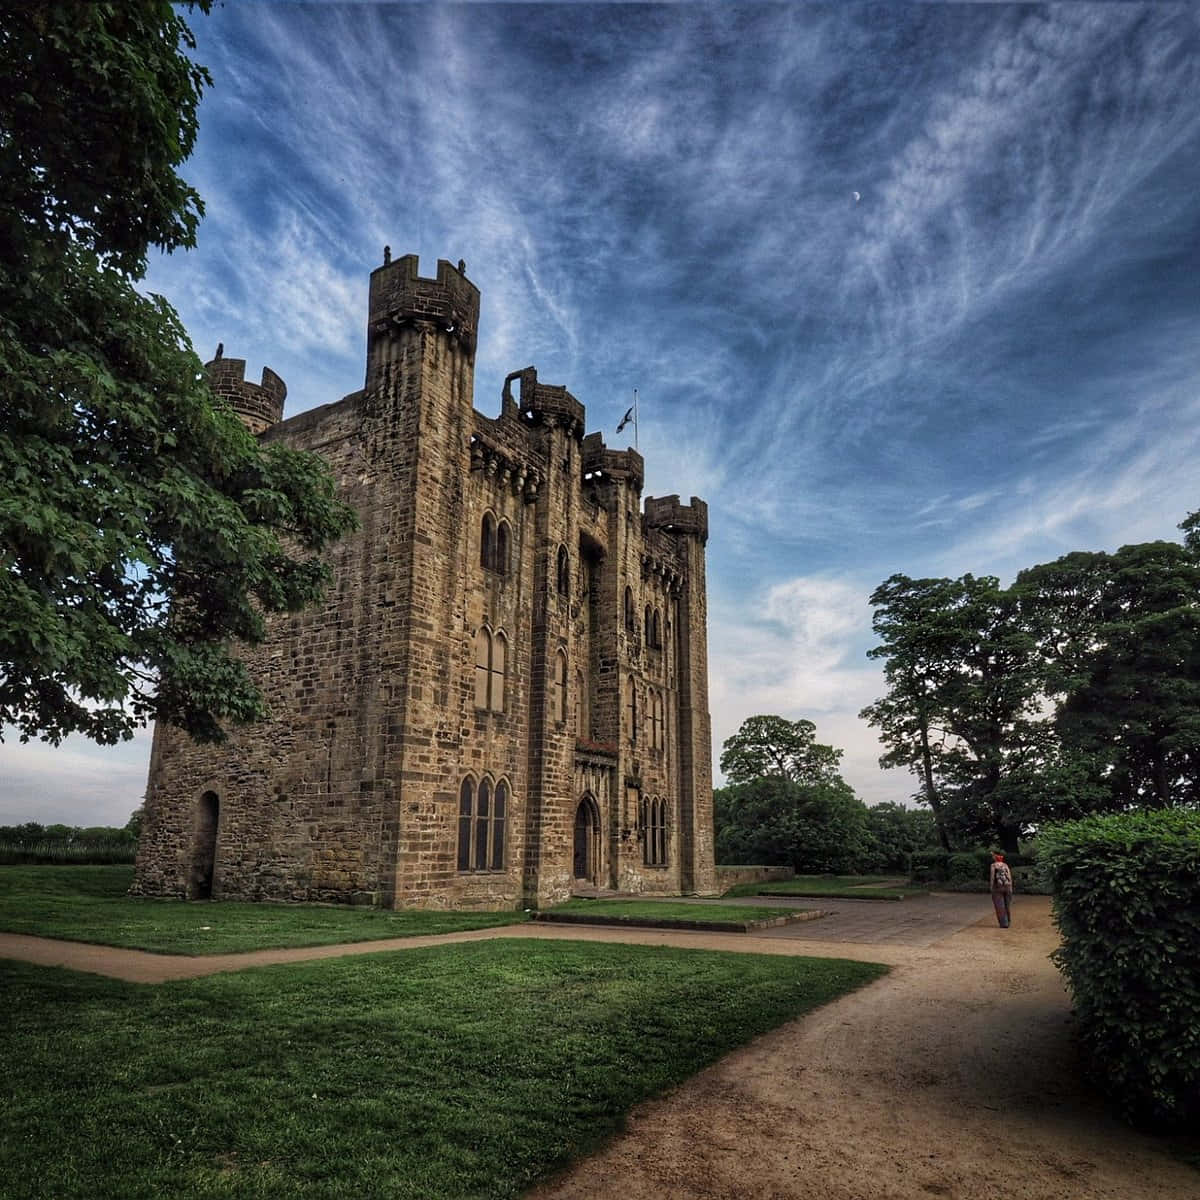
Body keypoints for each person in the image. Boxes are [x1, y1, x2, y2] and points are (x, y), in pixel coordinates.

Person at [990, 851, 1013, 927]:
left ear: (996, 856)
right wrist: (1010, 887)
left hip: (998, 887)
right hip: (1008, 886)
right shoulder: (1005, 865)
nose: (992, 857)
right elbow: (1009, 877)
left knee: (1000, 906)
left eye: (993, 855)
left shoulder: (993, 865)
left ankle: (1004, 923)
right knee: (1007, 905)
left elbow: (992, 877)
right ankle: (1009, 921)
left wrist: (991, 887)